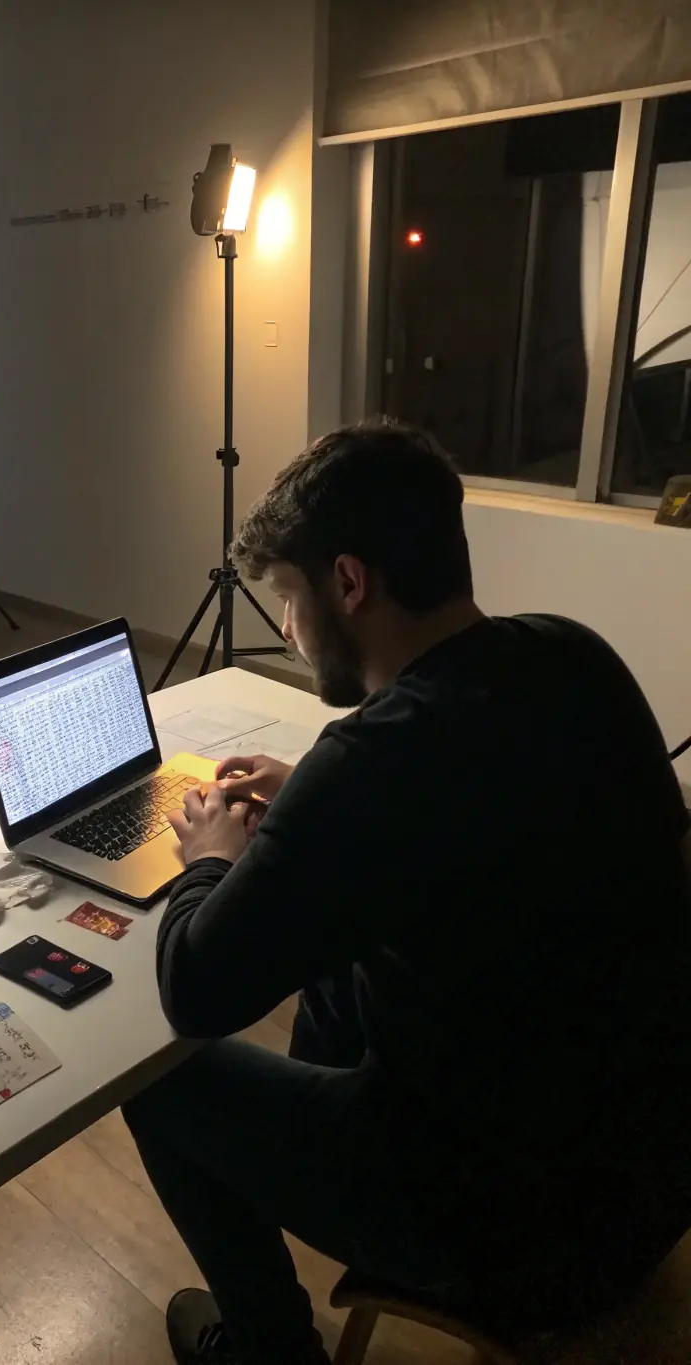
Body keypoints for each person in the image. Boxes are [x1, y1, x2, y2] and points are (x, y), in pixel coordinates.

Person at [122, 419, 691, 1365]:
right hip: (652, 1180)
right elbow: (468, 794)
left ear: (349, 582)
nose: (292, 631)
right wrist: (314, 792)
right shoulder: (573, 655)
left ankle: (271, 1349)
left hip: (514, 1241)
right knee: (355, 961)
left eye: (291, 601)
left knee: (162, 1080)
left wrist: (214, 859)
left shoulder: (372, 763)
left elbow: (195, 987)